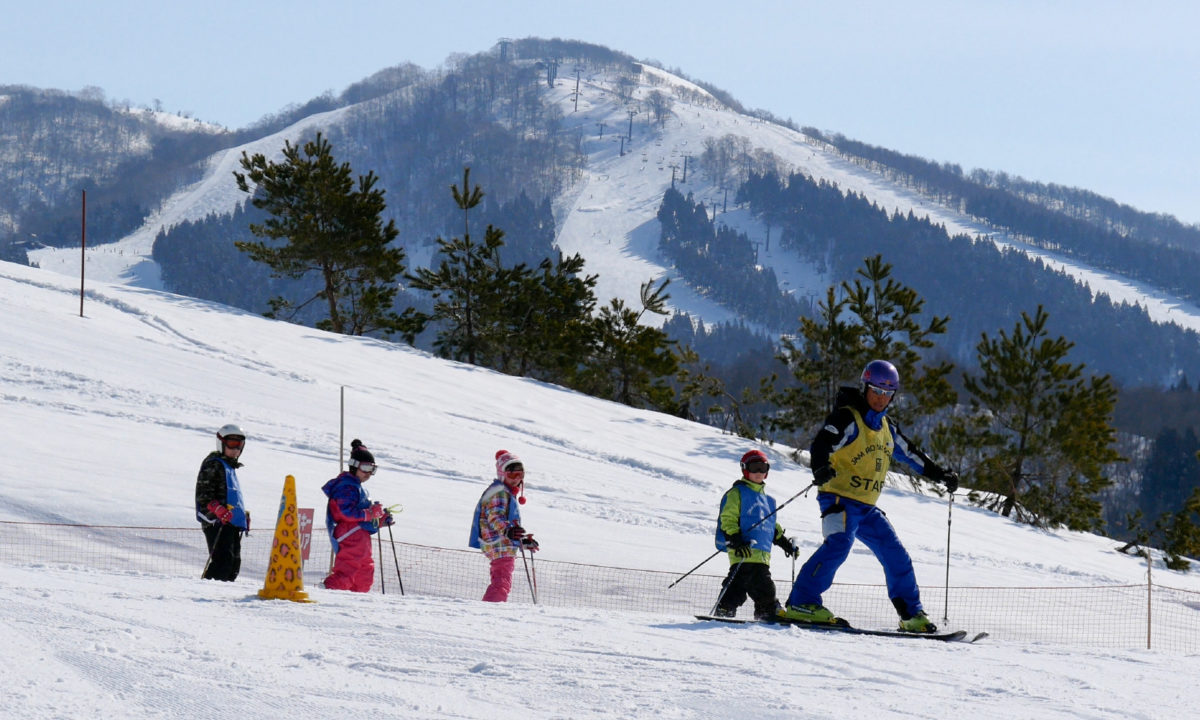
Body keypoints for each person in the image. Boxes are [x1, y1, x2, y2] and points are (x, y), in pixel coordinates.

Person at [780, 360, 960, 633]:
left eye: (887, 394)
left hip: (866, 507)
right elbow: (822, 443)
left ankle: (911, 615)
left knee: (895, 554)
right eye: (876, 391)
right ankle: (802, 603)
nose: (881, 398)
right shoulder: (848, 418)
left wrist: (941, 475)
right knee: (839, 545)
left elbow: (912, 455)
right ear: (865, 388)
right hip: (838, 499)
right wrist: (820, 466)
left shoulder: (887, 427)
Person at [712, 449, 799, 620]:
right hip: (743, 549)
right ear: (745, 469)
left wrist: (785, 543)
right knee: (762, 584)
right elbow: (727, 518)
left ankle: (727, 608)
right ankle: (768, 610)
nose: (759, 472)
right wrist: (735, 540)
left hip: (762, 553)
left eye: (763, 468)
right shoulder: (737, 493)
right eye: (754, 467)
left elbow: (771, 525)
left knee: (739, 582)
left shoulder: (768, 501)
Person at [321, 439, 393, 592]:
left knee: (365, 572)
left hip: (360, 536)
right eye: (365, 467)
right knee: (348, 570)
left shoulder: (357, 487)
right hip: (349, 534)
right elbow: (344, 511)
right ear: (354, 466)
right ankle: (327, 592)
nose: (368, 473)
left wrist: (380, 520)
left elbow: (364, 520)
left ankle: (358, 601)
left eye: (372, 469)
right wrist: (369, 513)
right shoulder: (346, 486)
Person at [468, 450, 539, 602]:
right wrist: (508, 531)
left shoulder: (504, 492)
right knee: (501, 582)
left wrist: (522, 540)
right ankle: (491, 609)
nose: (516, 479)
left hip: (501, 541)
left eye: (520, 475)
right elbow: (495, 516)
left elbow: (508, 524)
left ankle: (493, 608)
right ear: (502, 474)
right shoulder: (499, 492)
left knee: (502, 580)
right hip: (498, 543)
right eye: (512, 475)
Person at [195, 423, 251, 581]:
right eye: (232, 444)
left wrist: (242, 515)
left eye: (239, 445)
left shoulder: (229, 467)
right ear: (221, 443)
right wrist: (216, 509)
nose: (235, 450)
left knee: (233, 564)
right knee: (223, 561)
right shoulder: (213, 464)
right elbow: (203, 494)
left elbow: (230, 495)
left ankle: (224, 594)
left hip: (230, 521)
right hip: (216, 521)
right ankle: (209, 591)